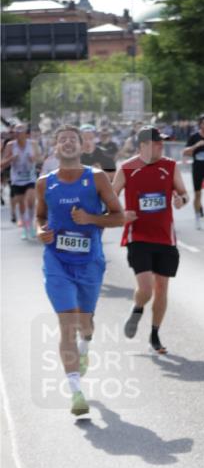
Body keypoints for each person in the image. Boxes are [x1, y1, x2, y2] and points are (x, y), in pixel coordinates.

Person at [34, 125, 124, 416]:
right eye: (62, 140)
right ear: (55, 148)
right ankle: (76, 392)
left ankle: (86, 344)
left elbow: (119, 217)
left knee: (85, 324)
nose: (68, 143)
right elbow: (40, 216)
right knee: (67, 323)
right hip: (56, 261)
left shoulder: (96, 178)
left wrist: (90, 219)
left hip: (90, 263)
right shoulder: (44, 183)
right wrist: (40, 231)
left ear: (81, 146)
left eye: (72, 139)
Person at [113, 126, 188, 355]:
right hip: (138, 236)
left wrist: (181, 200)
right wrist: (121, 214)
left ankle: (155, 334)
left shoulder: (170, 166)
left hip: (165, 237)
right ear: (143, 145)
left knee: (162, 288)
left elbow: (184, 193)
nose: (161, 146)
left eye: (162, 142)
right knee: (146, 289)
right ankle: (138, 308)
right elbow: (110, 197)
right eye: (157, 142)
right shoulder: (127, 168)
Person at [1, 123, 38, 238]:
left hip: (30, 178)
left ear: (26, 133)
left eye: (20, 132)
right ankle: (25, 228)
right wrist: (11, 158)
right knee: (22, 204)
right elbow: (2, 163)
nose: (17, 134)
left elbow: (39, 158)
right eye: (15, 132)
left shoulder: (33, 144)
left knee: (31, 201)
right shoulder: (10, 145)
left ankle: (31, 225)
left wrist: (33, 159)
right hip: (17, 179)